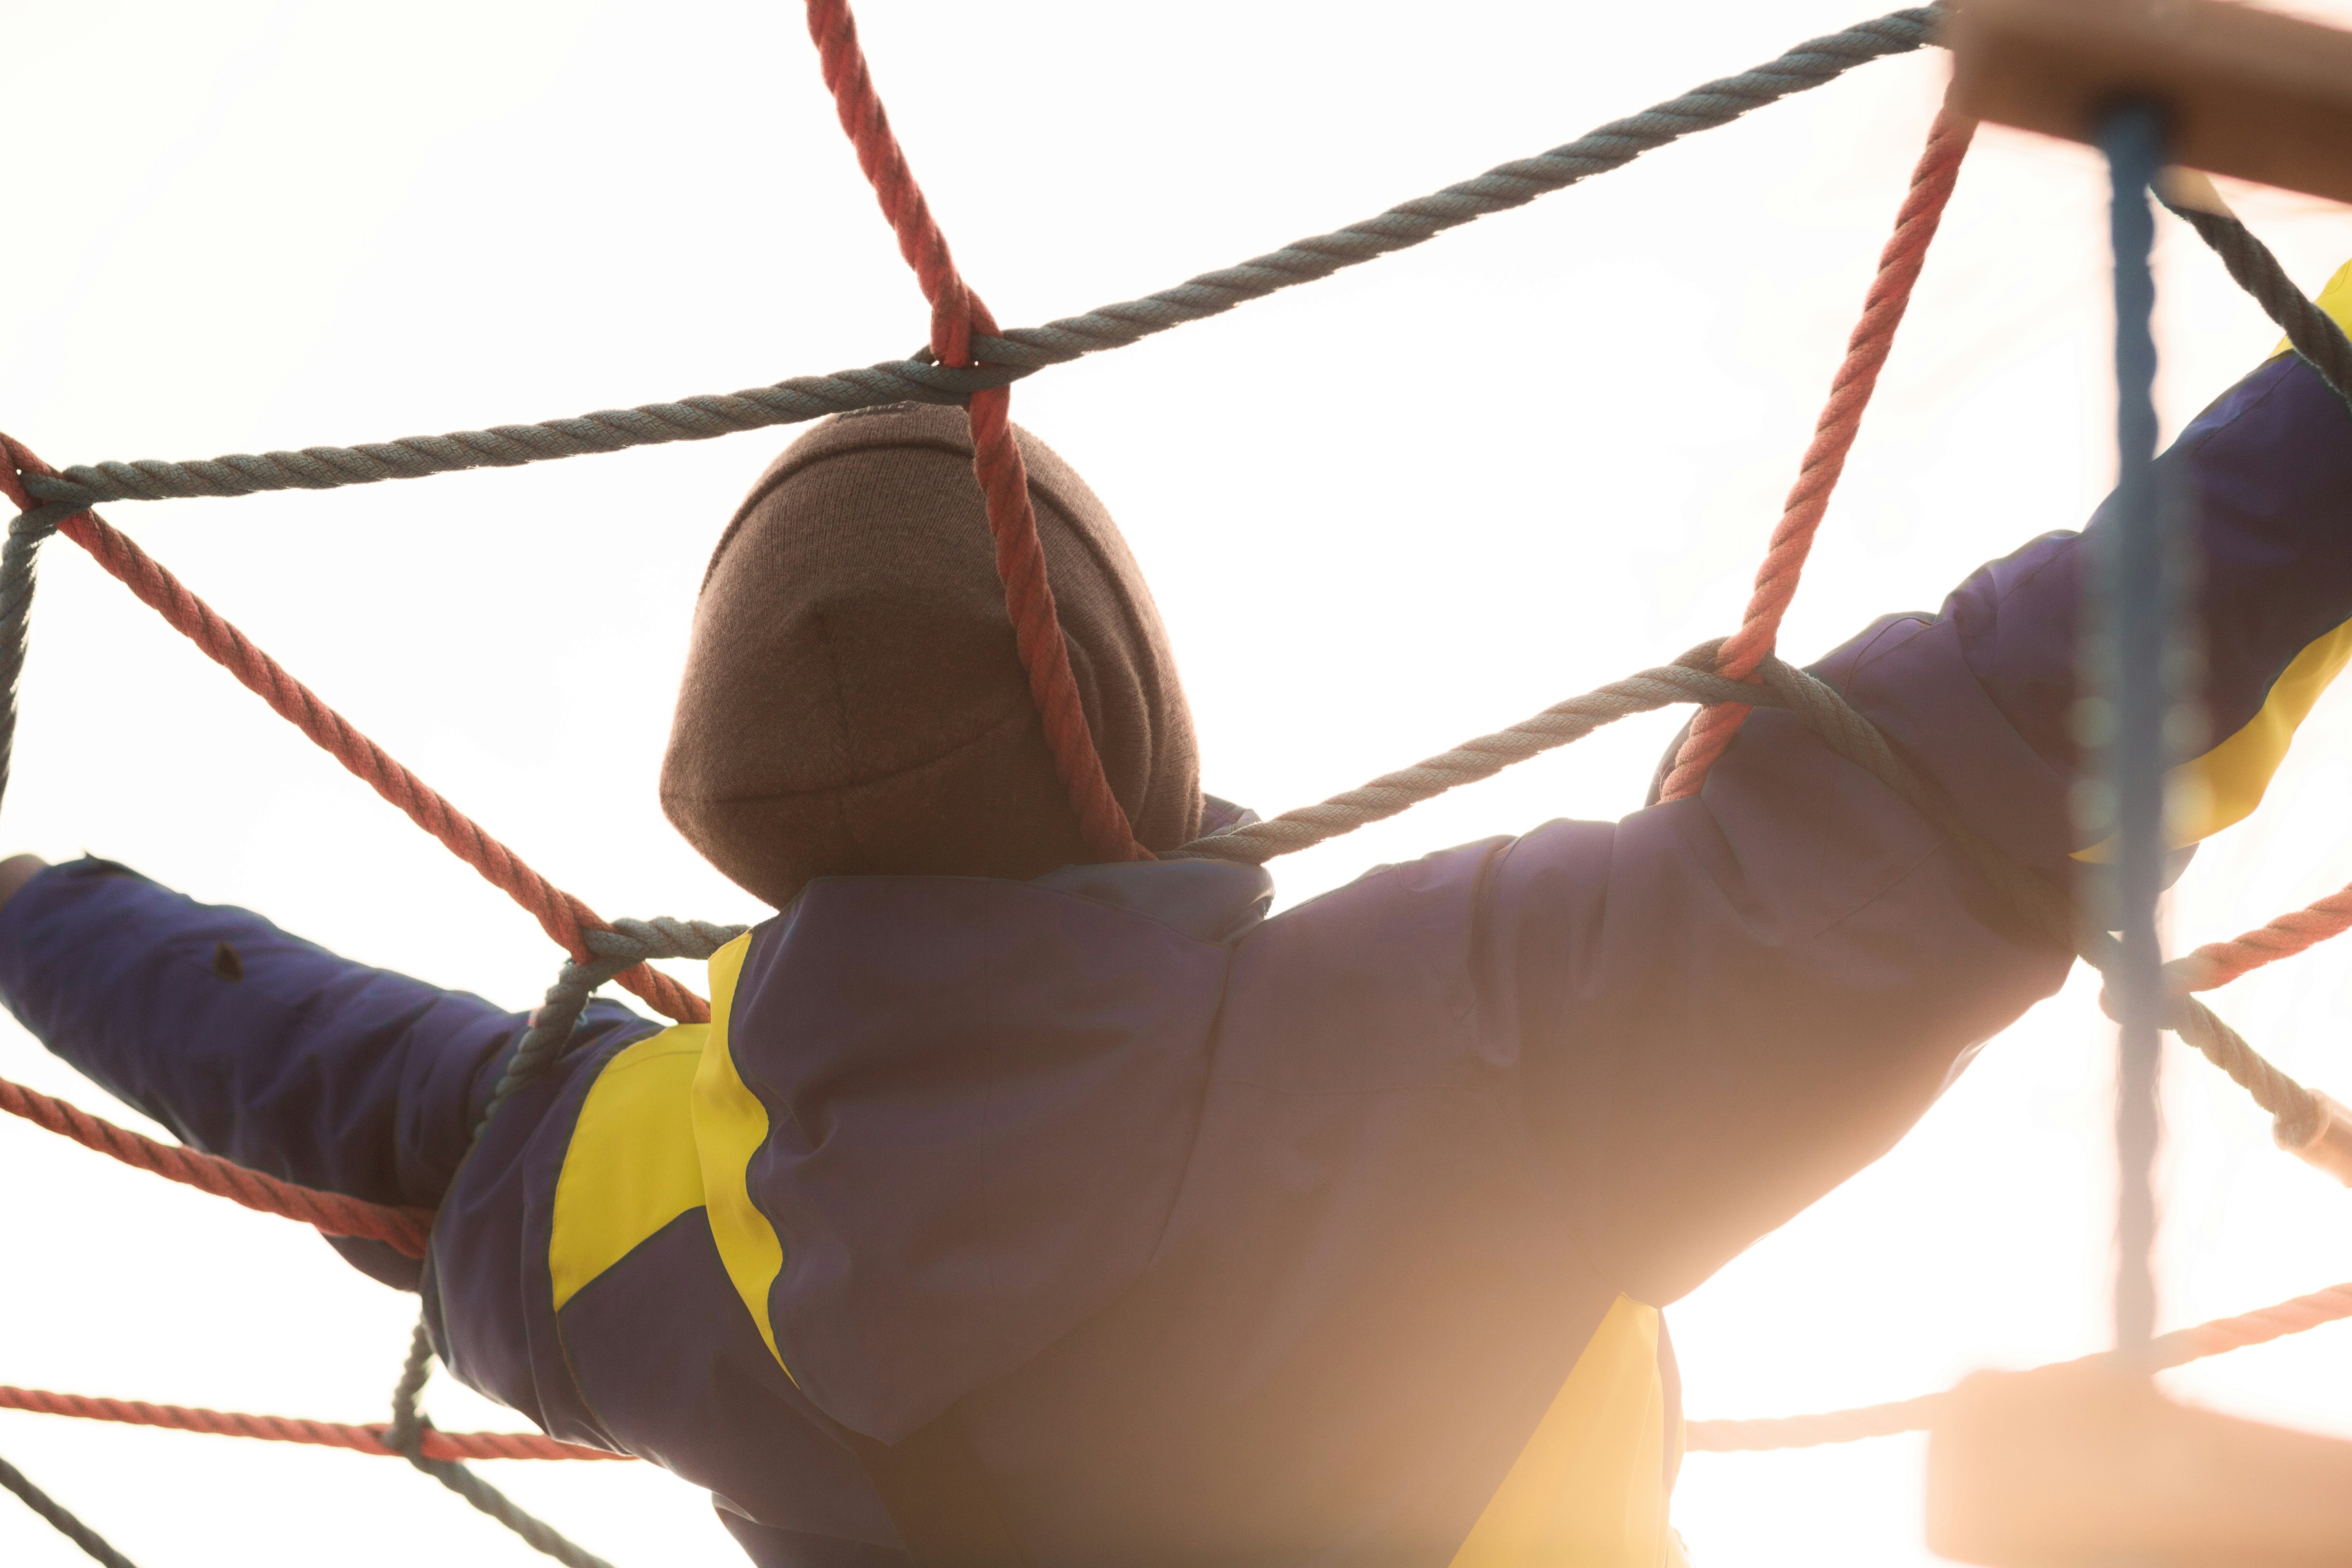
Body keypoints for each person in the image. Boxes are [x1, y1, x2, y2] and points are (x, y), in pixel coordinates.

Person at [3, 262, 2350, 1568]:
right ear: (1130, 745)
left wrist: (20, 907)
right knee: (2028, 1478)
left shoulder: (631, 1221)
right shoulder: (1449, 1041)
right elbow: (2006, 740)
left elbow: (330, 1074)